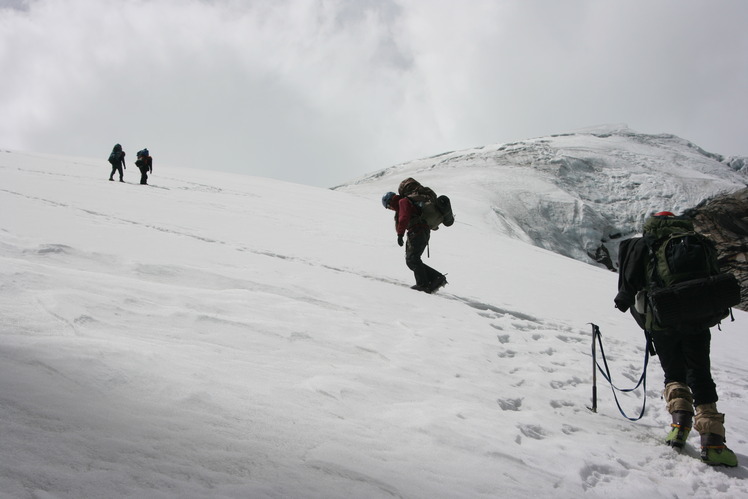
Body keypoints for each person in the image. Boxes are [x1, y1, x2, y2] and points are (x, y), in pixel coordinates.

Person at [614, 211, 738, 467]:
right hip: (698, 319)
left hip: (662, 320)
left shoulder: (642, 244)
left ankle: (679, 426)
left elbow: (628, 286)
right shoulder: (696, 241)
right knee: (700, 372)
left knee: (674, 374)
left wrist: (623, 302)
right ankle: (713, 442)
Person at [382, 190, 447, 293]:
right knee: (412, 259)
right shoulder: (405, 202)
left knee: (413, 259)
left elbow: (404, 217)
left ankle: (424, 284)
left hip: (417, 230)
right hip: (421, 230)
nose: (391, 209)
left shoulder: (402, 202)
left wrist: (400, 234)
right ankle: (435, 279)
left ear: (390, 201)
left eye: (389, 207)